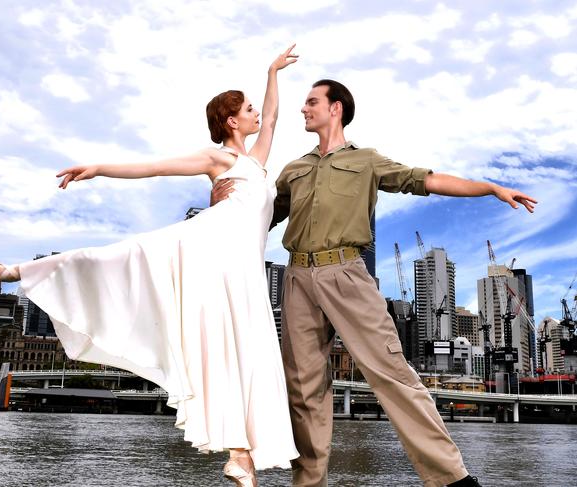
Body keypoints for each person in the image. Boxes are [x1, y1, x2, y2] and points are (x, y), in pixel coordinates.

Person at [0, 45, 300, 487]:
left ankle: (241, 455)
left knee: (242, 349)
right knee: (127, 257)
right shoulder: (219, 159)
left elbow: (273, 118)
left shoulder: (257, 161)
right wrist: (100, 167)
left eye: (255, 107)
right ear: (231, 121)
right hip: (210, 249)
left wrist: (271, 71)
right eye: (248, 110)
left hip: (246, 271)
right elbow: (156, 167)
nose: (257, 114)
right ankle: (13, 272)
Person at [211, 79, 537, 487]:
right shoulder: (294, 169)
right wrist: (222, 204)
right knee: (303, 390)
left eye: (312, 102)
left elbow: (426, 180)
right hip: (296, 279)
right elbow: (258, 218)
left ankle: (452, 480)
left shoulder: (366, 160)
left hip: (347, 274)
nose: (303, 109)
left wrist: (490, 188)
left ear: (336, 109)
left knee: (391, 373)